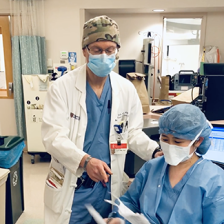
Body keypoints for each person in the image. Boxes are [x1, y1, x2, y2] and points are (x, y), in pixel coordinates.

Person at [41, 15, 161, 224]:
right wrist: (85, 161)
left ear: (117, 50)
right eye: (97, 50)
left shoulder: (125, 89)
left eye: (110, 50)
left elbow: (131, 132)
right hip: (74, 184)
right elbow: (53, 136)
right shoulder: (62, 88)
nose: (104, 55)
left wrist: (154, 151)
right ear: (85, 51)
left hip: (108, 184)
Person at [105, 104, 224, 224]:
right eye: (165, 139)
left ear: (198, 141)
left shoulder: (215, 180)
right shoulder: (151, 168)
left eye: (177, 141)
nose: (170, 145)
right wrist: (119, 219)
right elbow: (130, 202)